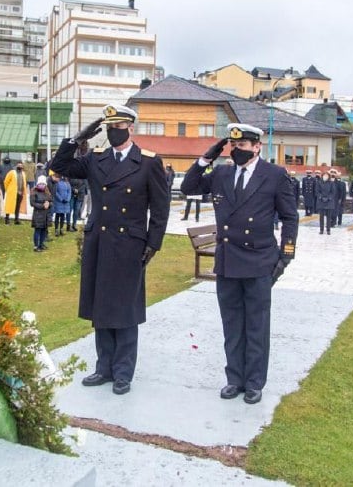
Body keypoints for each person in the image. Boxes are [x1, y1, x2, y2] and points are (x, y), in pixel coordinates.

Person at [51, 104, 170, 395]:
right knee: (101, 307)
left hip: (129, 244)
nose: (113, 132)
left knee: (125, 310)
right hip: (99, 242)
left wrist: (153, 243)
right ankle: (103, 367)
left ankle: (123, 372)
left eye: (119, 127)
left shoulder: (148, 162)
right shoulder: (96, 158)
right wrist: (77, 139)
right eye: (109, 127)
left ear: (131, 128)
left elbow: (160, 208)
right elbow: (60, 167)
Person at [180, 123, 297, 405]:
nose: (237, 151)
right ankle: (234, 379)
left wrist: (286, 256)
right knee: (232, 324)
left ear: (257, 147)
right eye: (234, 146)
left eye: (242, 146)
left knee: (256, 325)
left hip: (259, 261)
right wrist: (205, 159)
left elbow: (290, 217)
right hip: (229, 261)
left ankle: (254, 382)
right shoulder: (221, 173)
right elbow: (188, 187)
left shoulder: (275, 175)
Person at [30, 175, 51, 251]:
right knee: (37, 230)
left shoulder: (47, 192)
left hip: (45, 215)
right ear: (37, 184)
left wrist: (49, 204)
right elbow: (32, 203)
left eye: (43, 184)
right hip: (38, 214)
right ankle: (36, 246)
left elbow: (50, 201)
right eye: (40, 184)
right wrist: (42, 206)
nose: (42, 185)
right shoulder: (34, 192)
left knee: (44, 230)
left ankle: (41, 244)